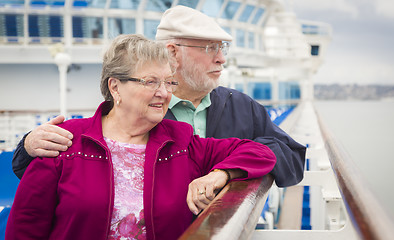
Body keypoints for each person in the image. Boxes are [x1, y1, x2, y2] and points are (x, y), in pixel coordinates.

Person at [6, 34, 276, 240]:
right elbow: (26, 226)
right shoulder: (65, 143)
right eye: (150, 82)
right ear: (115, 87)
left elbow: (259, 153)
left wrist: (219, 175)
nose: (164, 92)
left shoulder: (180, 142)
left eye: (168, 82)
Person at [12, 6, 305, 187]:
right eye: (210, 48)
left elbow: (292, 160)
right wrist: (28, 145)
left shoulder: (242, 107)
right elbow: (56, 165)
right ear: (173, 53)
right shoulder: (138, 109)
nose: (221, 60)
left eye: (222, 49)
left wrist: (228, 172)